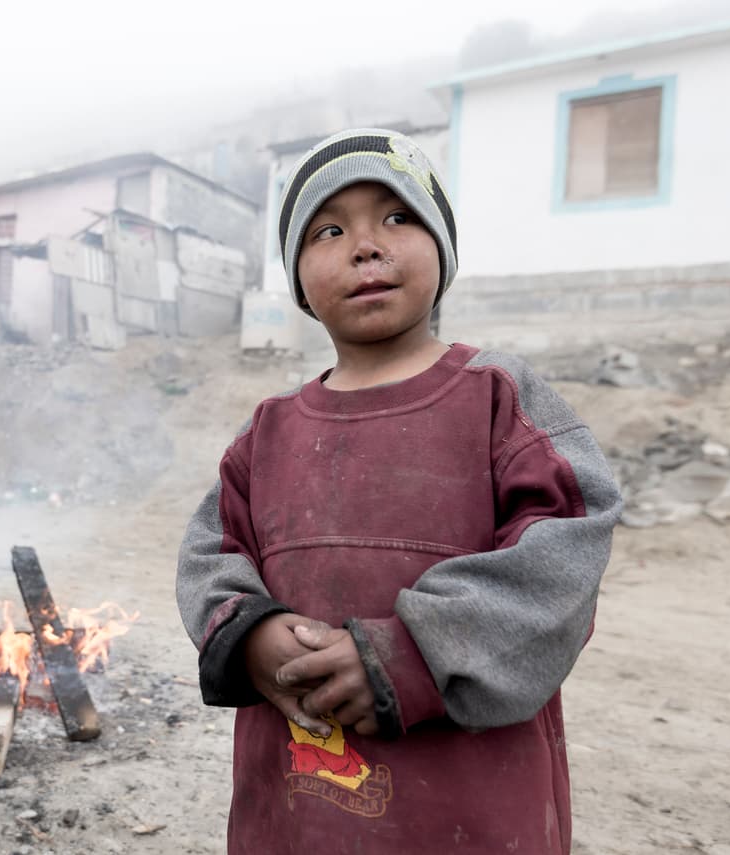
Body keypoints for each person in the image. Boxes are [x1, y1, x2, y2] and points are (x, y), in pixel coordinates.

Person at [176, 128, 622, 853]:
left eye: (397, 216)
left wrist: (409, 655)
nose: (365, 246)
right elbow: (210, 554)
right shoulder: (268, 432)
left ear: (443, 248)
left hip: (469, 813)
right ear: (296, 278)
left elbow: (566, 550)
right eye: (329, 229)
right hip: (293, 811)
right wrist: (250, 636)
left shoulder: (498, 398)